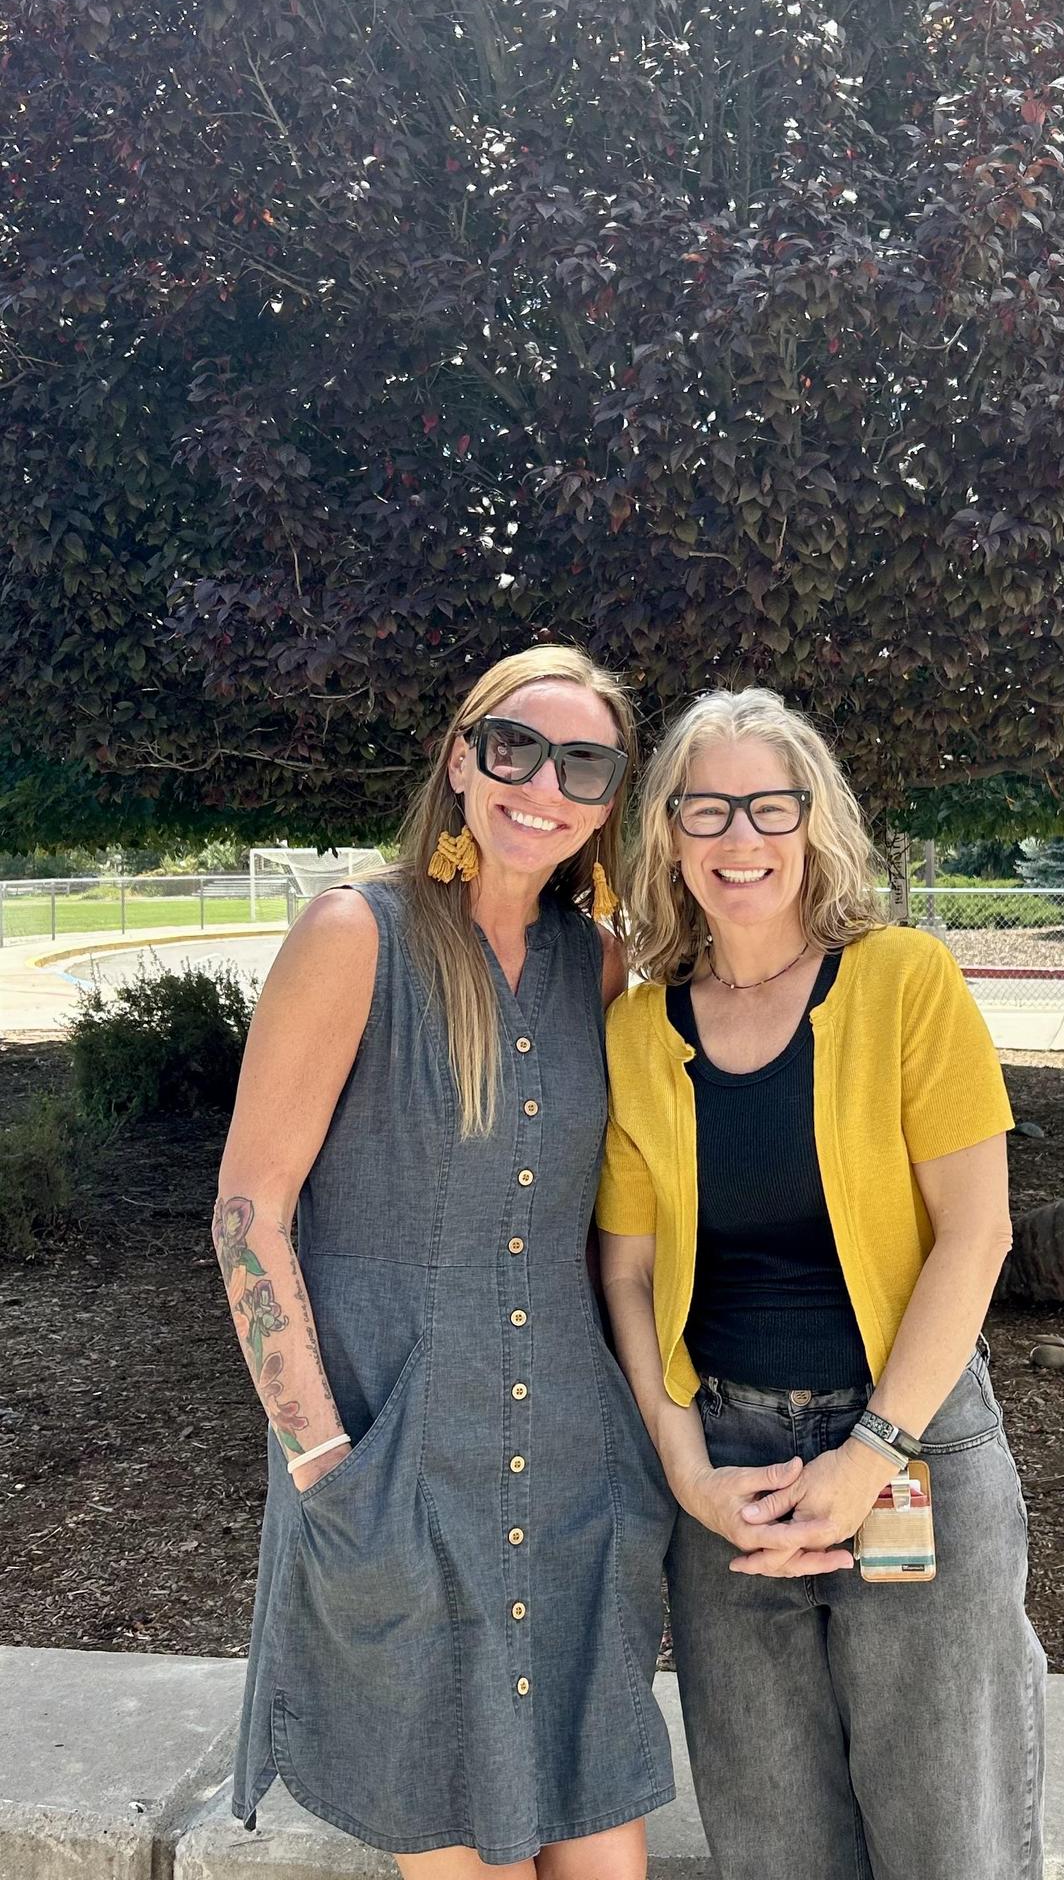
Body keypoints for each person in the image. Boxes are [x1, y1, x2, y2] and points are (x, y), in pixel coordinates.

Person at [217, 646, 675, 1880]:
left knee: (604, 1846)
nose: (544, 784)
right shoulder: (354, 935)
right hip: (403, 1468)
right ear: (463, 759)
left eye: (585, 764)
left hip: (575, 1473)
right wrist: (321, 1460)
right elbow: (249, 1213)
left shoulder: (602, 963)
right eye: (515, 747)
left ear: (610, 798)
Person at [597, 687, 1045, 1880]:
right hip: (728, 1474)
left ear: (815, 821)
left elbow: (977, 1234)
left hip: (912, 1448)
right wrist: (687, 1471)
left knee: (951, 1840)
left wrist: (869, 1456)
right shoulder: (640, 1032)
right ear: (668, 835)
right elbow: (627, 1271)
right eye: (705, 809)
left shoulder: (905, 981)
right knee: (772, 1845)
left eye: (769, 806)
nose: (739, 837)